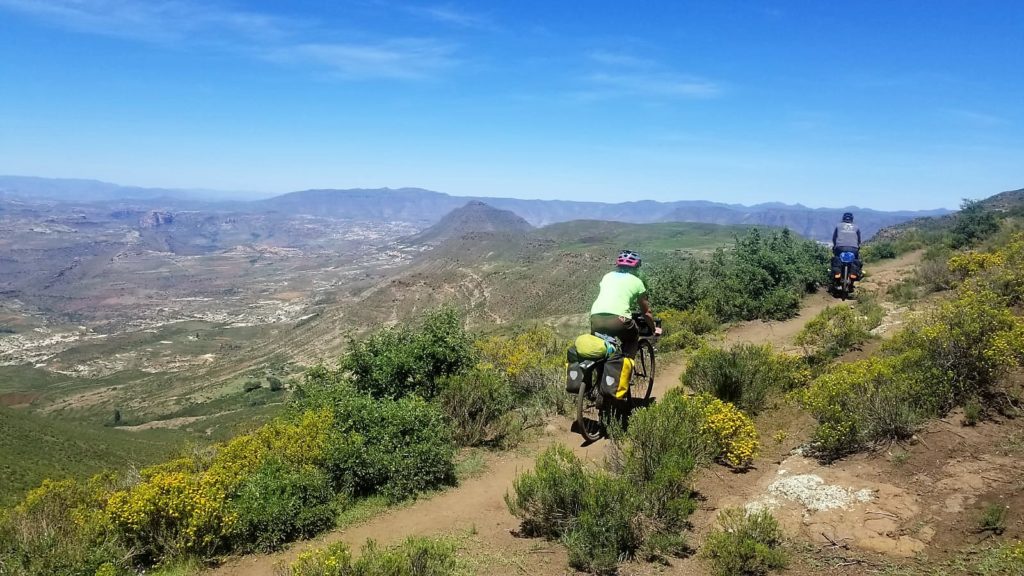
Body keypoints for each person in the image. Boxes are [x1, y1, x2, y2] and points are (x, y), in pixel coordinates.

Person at [589, 250, 655, 357]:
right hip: (620, 319)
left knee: (601, 350)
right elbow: (647, 312)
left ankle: (601, 370)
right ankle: (626, 366)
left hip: (595, 317)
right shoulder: (638, 282)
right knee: (632, 339)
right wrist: (653, 328)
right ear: (636, 267)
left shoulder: (607, 276)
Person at [831, 212, 863, 280]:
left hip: (840, 247)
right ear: (852, 219)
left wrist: (834, 245)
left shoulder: (838, 226)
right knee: (856, 259)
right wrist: (857, 245)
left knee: (837, 258)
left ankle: (837, 273)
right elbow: (859, 239)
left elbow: (834, 238)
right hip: (853, 248)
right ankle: (854, 274)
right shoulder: (856, 227)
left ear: (843, 218)